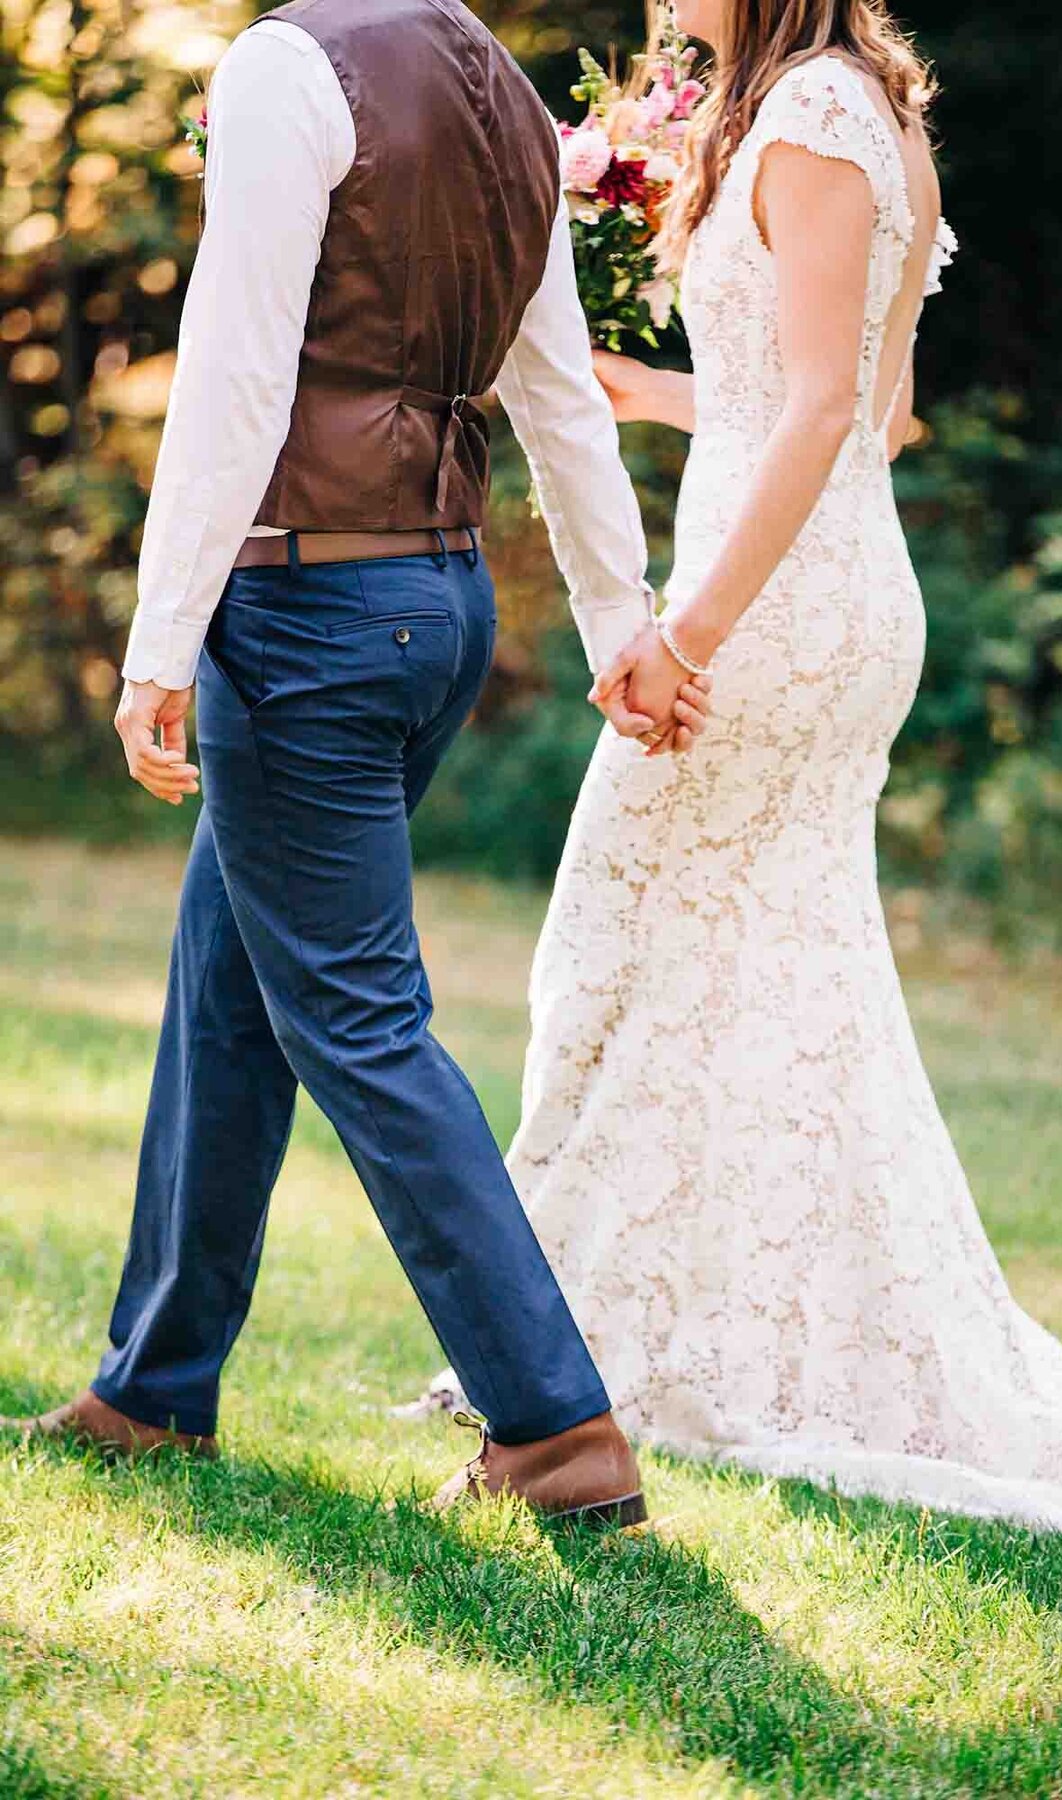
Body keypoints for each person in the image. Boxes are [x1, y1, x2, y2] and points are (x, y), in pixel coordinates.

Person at [410, 0, 1062, 1549]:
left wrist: (682, 632)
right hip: (811, 593)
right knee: (737, 969)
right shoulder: (851, 105)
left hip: (780, 615)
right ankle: (649, 1333)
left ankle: (613, 1352)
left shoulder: (823, 116)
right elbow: (840, 402)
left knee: (627, 934)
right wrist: (659, 399)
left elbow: (845, 416)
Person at [2, 0, 714, 1525]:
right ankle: (154, 1385)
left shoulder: (286, 68)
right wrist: (614, 613)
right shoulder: (504, 94)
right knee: (230, 983)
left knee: (355, 1017)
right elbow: (558, 391)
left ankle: (555, 1424)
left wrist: (159, 642)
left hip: (311, 607)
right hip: (434, 607)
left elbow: (237, 375)